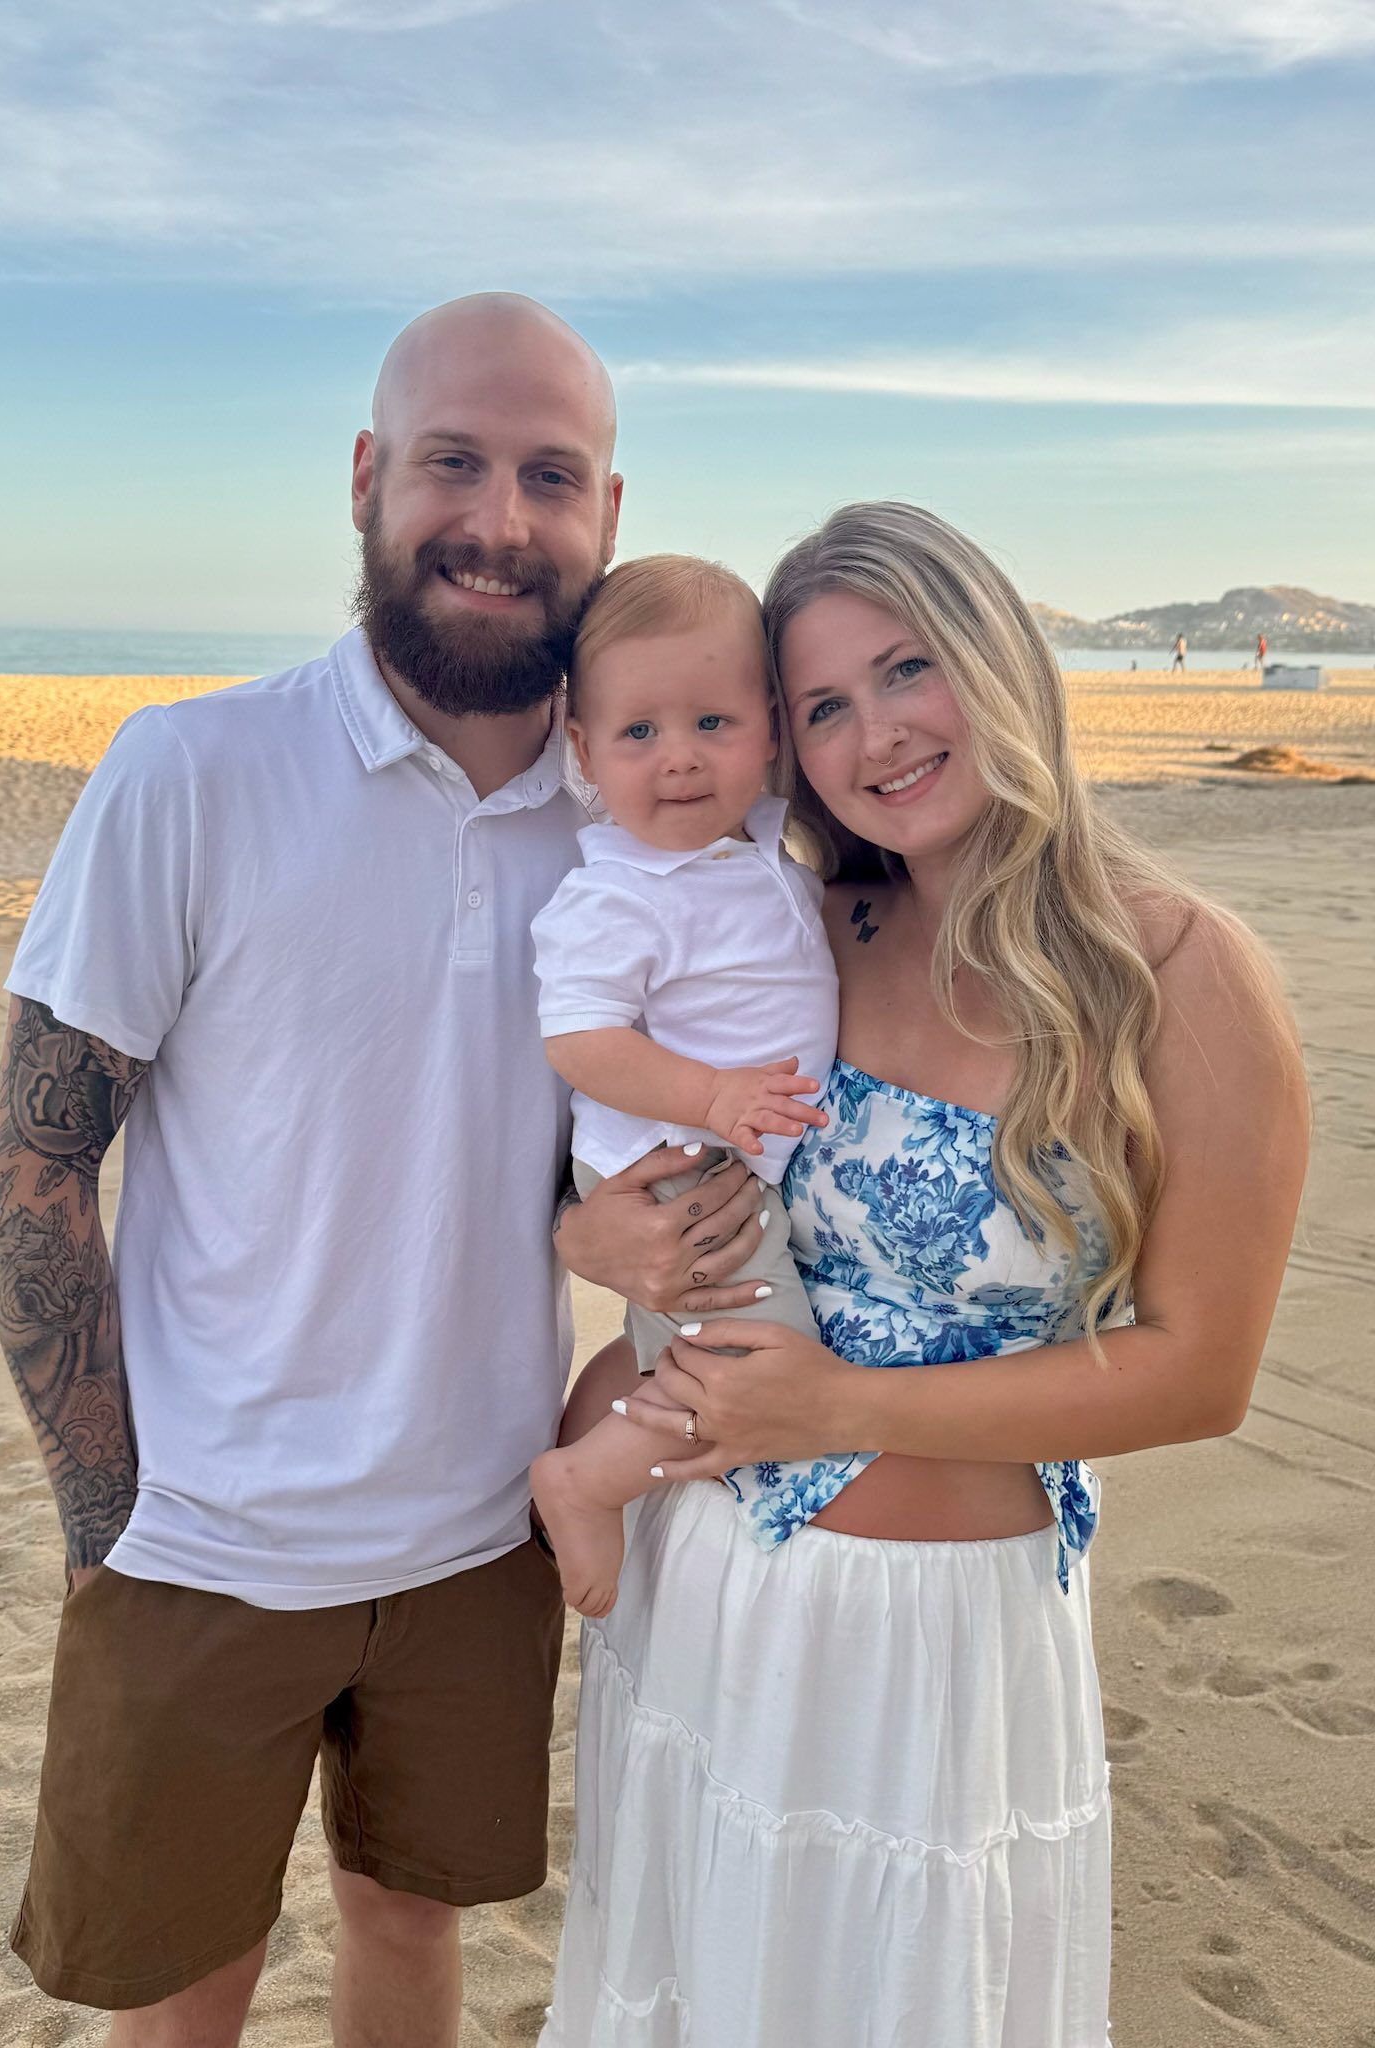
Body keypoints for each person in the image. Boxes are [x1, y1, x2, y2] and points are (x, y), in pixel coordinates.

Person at [0, 294, 766, 2048]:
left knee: (410, 1938)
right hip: (205, 1541)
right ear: (364, 479)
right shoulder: (191, 768)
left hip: (488, 1525)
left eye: (548, 475)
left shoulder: (640, 804)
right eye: (452, 463)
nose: (497, 518)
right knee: (181, 1992)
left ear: (608, 514)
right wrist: (110, 1521)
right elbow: (38, 1169)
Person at [543, 502, 1308, 2045]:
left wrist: (839, 1404)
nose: (875, 733)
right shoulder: (797, 926)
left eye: (907, 670)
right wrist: (583, 1236)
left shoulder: (1176, 975)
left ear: (999, 658)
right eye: (824, 704)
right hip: (703, 1596)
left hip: (932, 1646)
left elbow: (1202, 1371)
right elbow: (606, 1139)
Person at [528, 556, 838, 1616]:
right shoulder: (616, 889)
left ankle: (600, 1438)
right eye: (638, 733)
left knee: (696, 1351)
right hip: (676, 1162)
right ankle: (586, 1479)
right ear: (584, 749)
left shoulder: (753, 840)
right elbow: (579, 1036)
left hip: (736, 1152)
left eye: (714, 723)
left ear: (769, 731)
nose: (679, 761)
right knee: (763, 1368)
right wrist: (710, 1099)